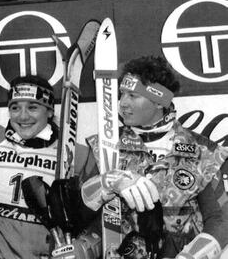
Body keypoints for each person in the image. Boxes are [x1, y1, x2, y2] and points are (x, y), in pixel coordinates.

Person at [0, 0, 102, 258]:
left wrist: (85, 249)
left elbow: (101, 222)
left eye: (33, 107)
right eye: (15, 107)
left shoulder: (78, 155)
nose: (22, 116)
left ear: (50, 110)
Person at [81, 55, 228, 259]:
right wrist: (108, 182)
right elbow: (78, 212)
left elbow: (220, 219)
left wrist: (192, 256)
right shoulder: (104, 145)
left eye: (133, 96)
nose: (122, 103)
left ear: (159, 101)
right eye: (121, 94)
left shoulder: (203, 151)